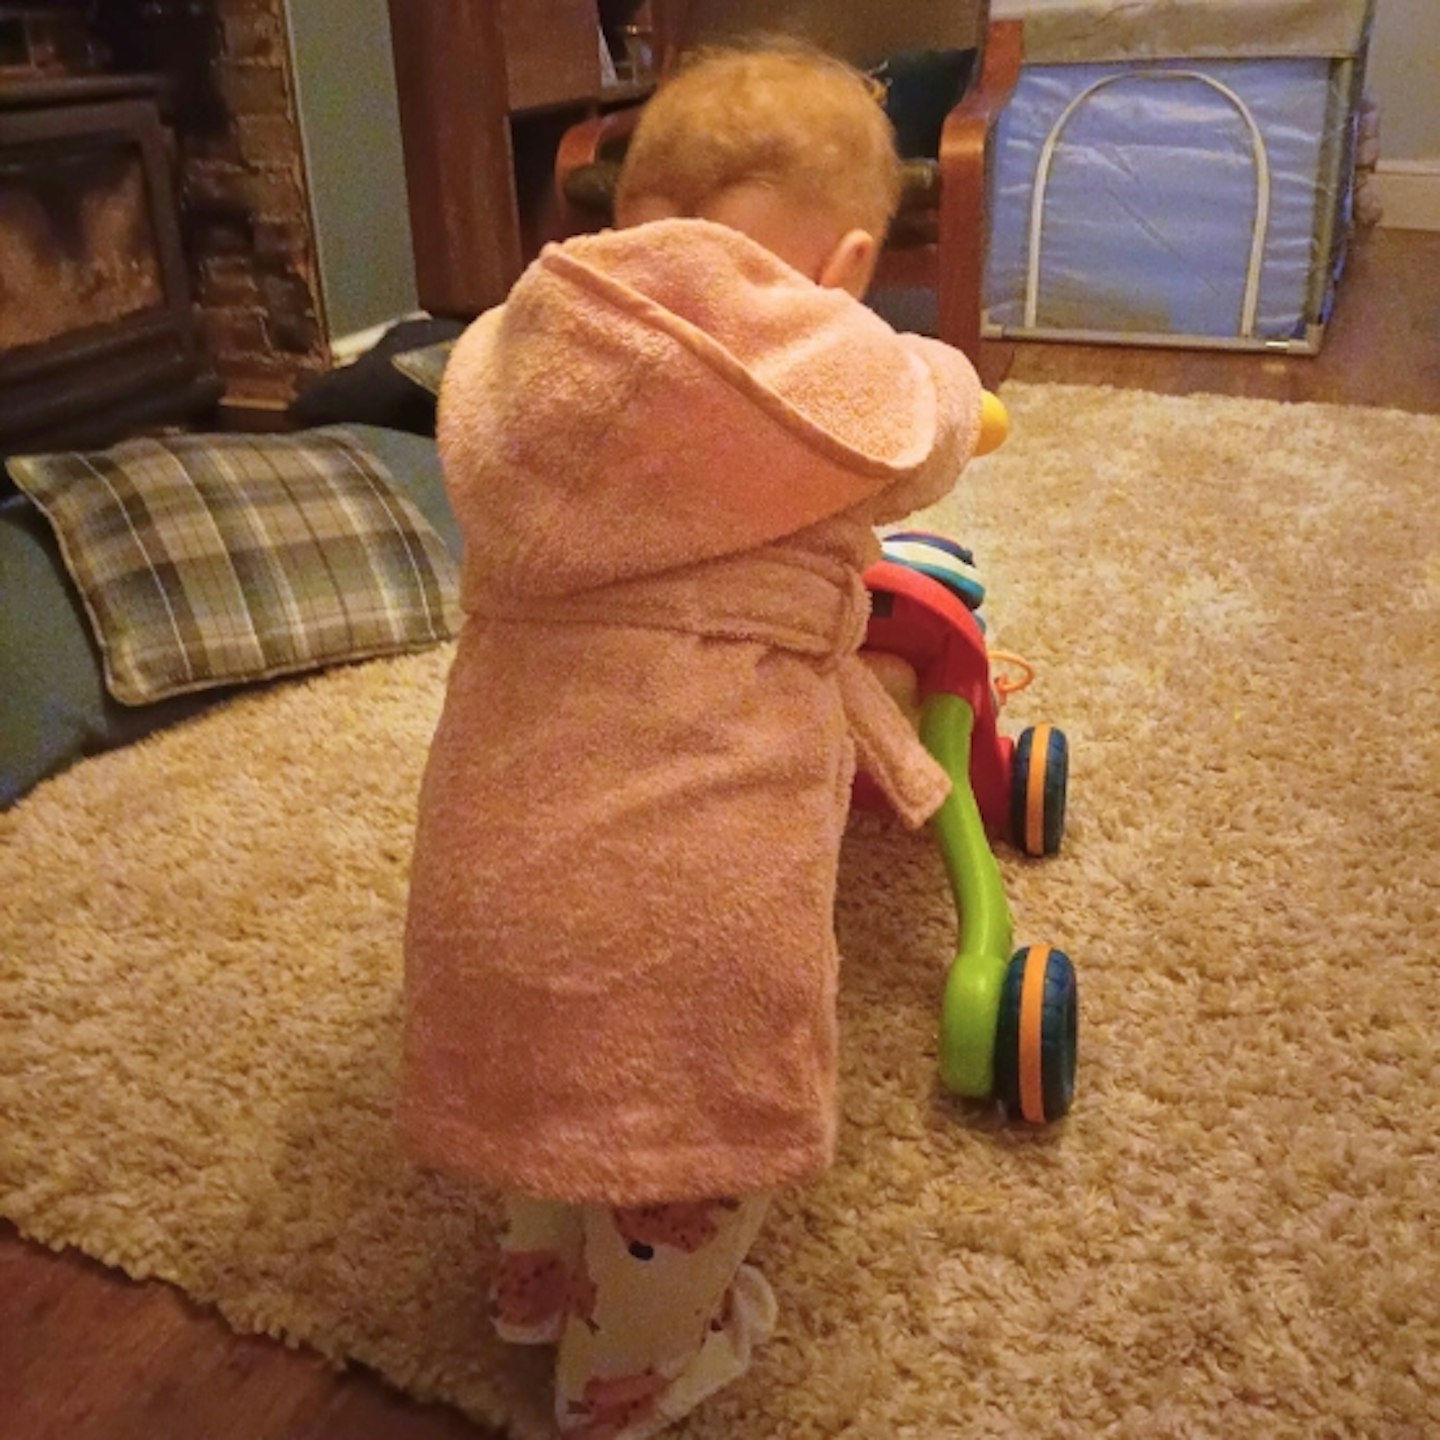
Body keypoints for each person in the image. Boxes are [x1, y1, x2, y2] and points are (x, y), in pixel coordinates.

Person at [399, 42, 988, 1440]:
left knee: (548, 1067)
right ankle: (638, 1371)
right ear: (847, 262)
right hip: (690, 894)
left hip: (492, 849)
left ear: (622, 213)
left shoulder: (516, 348)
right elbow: (931, 416)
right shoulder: (834, 360)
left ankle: (534, 1282)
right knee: (678, 1136)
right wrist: (953, 385)